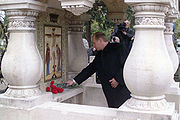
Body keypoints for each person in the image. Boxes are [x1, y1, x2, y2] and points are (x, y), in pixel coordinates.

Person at [66, 32, 131, 108]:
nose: (93, 46)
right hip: (108, 91)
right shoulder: (100, 54)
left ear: (100, 40)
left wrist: (118, 79)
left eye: (94, 43)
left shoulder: (118, 48)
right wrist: (74, 81)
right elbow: (89, 69)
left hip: (121, 90)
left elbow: (127, 65)